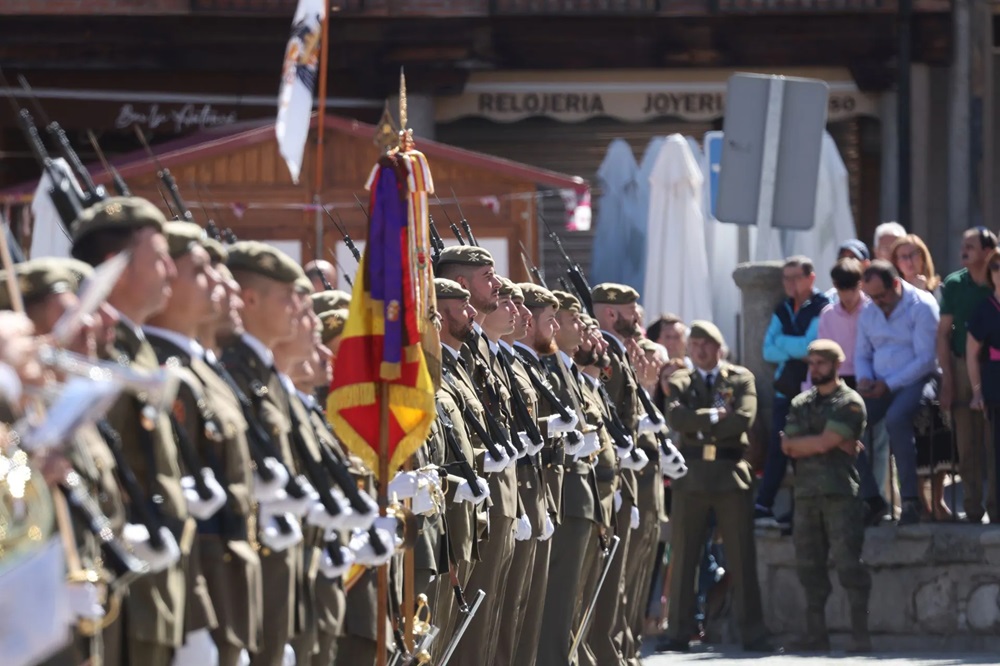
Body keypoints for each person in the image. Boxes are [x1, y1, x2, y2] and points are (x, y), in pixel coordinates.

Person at [71, 196, 210, 666]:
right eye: (159, 258)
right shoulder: (95, 354)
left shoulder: (138, 349)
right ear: (116, 266)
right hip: (125, 595)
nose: (170, 271)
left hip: (162, 589)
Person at [145, 222, 262, 666]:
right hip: (202, 585)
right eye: (200, 271)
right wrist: (193, 618)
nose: (220, 283)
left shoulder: (203, 370)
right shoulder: (165, 371)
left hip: (230, 578)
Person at [657, 321, 773, 653]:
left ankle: (753, 631)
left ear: (719, 347)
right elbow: (676, 419)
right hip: (691, 474)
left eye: (706, 344)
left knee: (741, 555)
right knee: (684, 556)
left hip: (728, 472)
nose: (700, 350)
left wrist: (701, 422)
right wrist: (714, 418)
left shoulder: (739, 378)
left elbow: (744, 419)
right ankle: (678, 631)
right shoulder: (681, 379)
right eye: (694, 345)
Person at [222, 241, 308, 666]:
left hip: (281, 567)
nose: (297, 308)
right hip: (244, 570)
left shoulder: (264, 372)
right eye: (287, 297)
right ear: (250, 298)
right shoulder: (233, 369)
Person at [781, 340, 871, 653]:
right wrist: (822, 441)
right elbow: (787, 446)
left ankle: (861, 634)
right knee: (809, 567)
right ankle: (815, 634)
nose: (815, 368)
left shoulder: (849, 402)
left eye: (821, 363)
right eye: (812, 363)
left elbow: (819, 443)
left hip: (839, 493)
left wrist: (816, 442)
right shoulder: (801, 402)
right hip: (805, 494)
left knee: (849, 565)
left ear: (835, 365)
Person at [855, 261, 940, 526]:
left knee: (896, 418)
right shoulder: (870, 311)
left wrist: (888, 384)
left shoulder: (922, 306)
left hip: (918, 380)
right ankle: (871, 498)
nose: (877, 302)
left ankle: (911, 500)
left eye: (881, 295)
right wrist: (864, 378)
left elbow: (926, 359)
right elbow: (861, 353)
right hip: (880, 384)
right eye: (871, 297)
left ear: (895, 283)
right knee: (847, 421)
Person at [756, 256, 830, 528]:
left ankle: (803, 511)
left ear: (811, 278)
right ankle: (763, 504)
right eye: (785, 278)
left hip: (811, 390)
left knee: (805, 450)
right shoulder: (783, 308)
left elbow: (811, 346)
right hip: (784, 391)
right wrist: (795, 348)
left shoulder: (823, 307)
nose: (789, 284)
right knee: (778, 446)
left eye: (795, 277)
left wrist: (787, 346)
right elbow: (767, 350)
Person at [938, 227, 999, 523]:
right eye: (962, 245)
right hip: (962, 364)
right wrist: (947, 376)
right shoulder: (954, 284)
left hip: (993, 365)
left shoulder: (995, 282)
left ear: (988, 252)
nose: (964, 251)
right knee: (967, 441)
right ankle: (973, 508)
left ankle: (996, 506)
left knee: (993, 439)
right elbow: (943, 334)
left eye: (971, 246)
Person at [889, 233, 952, 520]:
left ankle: (938, 499)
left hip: (937, 372)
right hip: (906, 377)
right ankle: (919, 501)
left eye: (913, 254)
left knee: (940, 439)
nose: (909, 261)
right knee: (914, 439)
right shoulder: (892, 296)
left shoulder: (940, 289)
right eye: (902, 256)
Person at [966, 248, 1000, 520]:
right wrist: (977, 392)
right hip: (995, 384)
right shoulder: (984, 309)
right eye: (996, 266)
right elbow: (972, 353)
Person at [817, 258, 870, 390]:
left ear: (861, 284)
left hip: (869, 377)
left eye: (853, 288)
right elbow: (821, 354)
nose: (848, 295)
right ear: (835, 285)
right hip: (837, 379)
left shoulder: (873, 311)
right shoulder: (828, 315)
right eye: (842, 288)